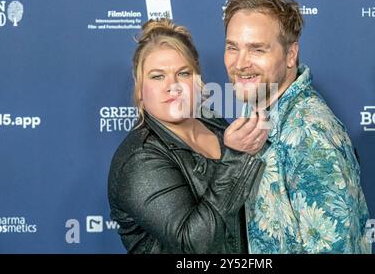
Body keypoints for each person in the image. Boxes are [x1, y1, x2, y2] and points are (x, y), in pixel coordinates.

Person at [222, 0, 371, 253]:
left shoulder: (310, 134)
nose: (240, 63)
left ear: (290, 54)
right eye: (233, 47)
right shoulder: (257, 107)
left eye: (257, 49)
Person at [108, 19, 268, 253]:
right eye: (157, 76)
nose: (173, 86)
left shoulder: (212, 122)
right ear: (140, 89)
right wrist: (235, 157)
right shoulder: (139, 160)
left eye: (183, 73)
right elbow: (193, 244)